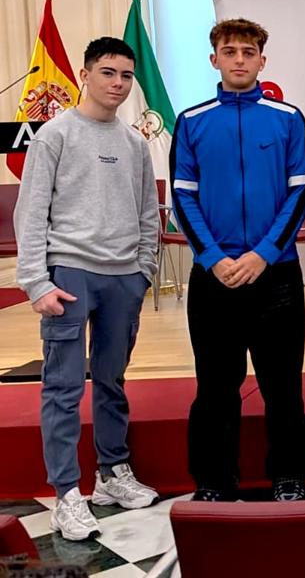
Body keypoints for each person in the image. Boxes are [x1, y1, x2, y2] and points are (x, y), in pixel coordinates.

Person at [14, 37, 159, 540]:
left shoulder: (136, 143)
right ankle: (67, 494)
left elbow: (147, 213)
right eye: (107, 73)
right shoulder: (55, 136)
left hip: (123, 277)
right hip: (69, 273)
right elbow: (30, 212)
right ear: (85, 74)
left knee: (113, 381)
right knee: (63, 387)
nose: (117, 84)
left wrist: (144, 272)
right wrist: (36, 282)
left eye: (125, 75)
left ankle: (112, 473)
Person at [171, 18, 305, 502]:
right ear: (214, 60)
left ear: (261, 61)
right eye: (229, 51)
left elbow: (299, 193)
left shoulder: (289, 118)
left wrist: (264, 254)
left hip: (276, 277)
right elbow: (182, 197)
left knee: (283, 387)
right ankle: (214, 480)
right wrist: (212, 257)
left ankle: (289, 475)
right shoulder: (191, 121)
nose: (238, 59)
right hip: (214, 278)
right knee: (214, 388)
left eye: (248, 52)